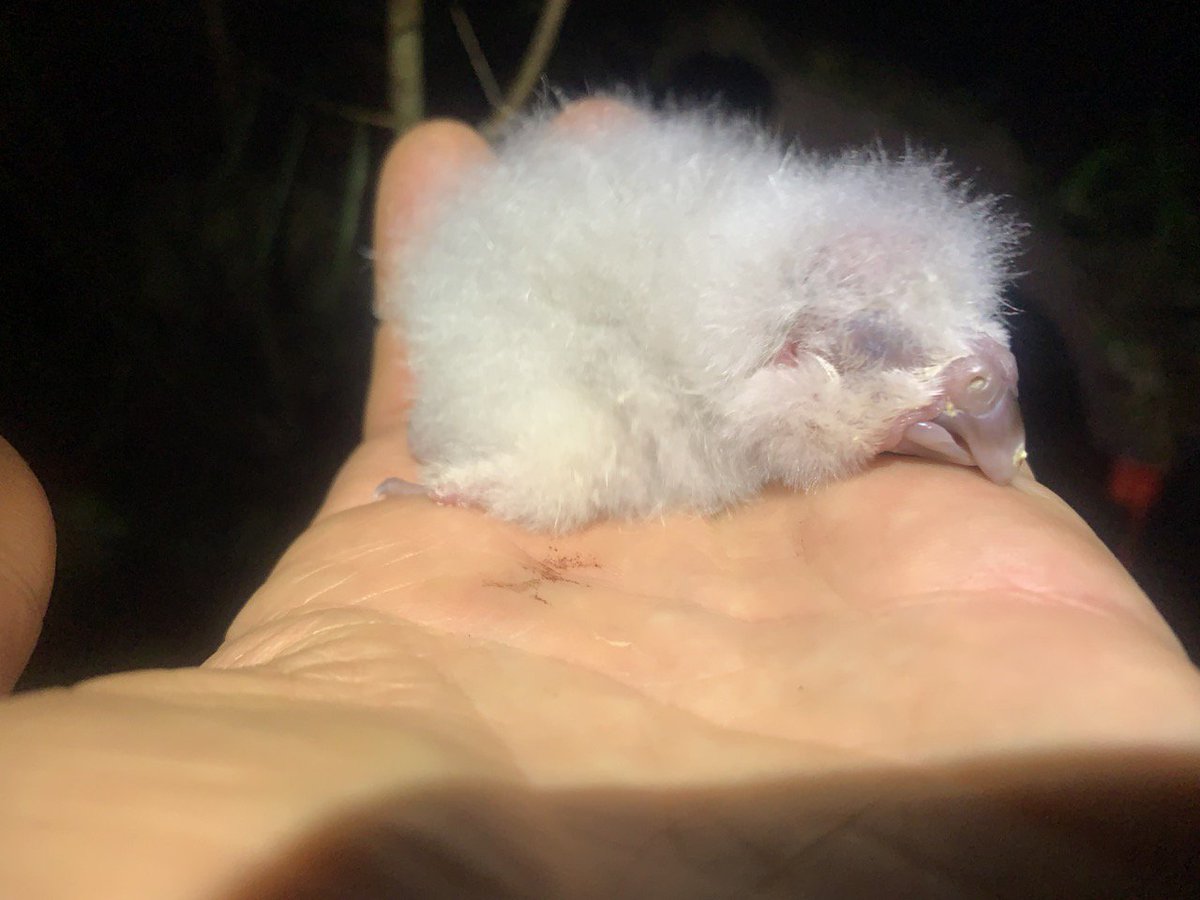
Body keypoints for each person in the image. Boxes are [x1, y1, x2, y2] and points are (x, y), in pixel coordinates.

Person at [1, 101, 1198, 899]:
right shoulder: (622, 355)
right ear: (786, 358)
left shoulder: (736, 320)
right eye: (904, 369)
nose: (955, 388)